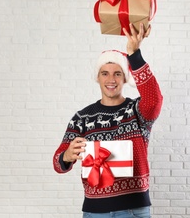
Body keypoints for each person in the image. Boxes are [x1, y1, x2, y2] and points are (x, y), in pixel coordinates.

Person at [53, 23, 163, 218]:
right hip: (95, 211)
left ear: (124, 78)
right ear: (97, 77)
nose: (111, 79)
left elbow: (154, 100)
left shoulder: (137, 111)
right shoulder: (82, 118)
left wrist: (134, 55)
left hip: (133, 209)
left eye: (117, 73)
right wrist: (67, 156)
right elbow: (58, 162)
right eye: (105, 73)